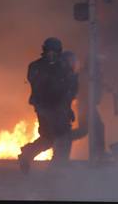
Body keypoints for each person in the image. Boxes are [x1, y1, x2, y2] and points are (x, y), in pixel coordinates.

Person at [18, 37, 78, 172]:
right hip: (45, 107)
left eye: (55, 52)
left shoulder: (62, 67)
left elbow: (67, 89)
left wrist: (68, 109)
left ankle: (28, 155)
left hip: (59, 107)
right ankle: (57, 166)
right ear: (44, 51)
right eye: (49, 51)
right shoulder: (36, 67)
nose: (51, 54)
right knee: (58, 136)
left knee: (51, 138)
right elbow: (41, 86)